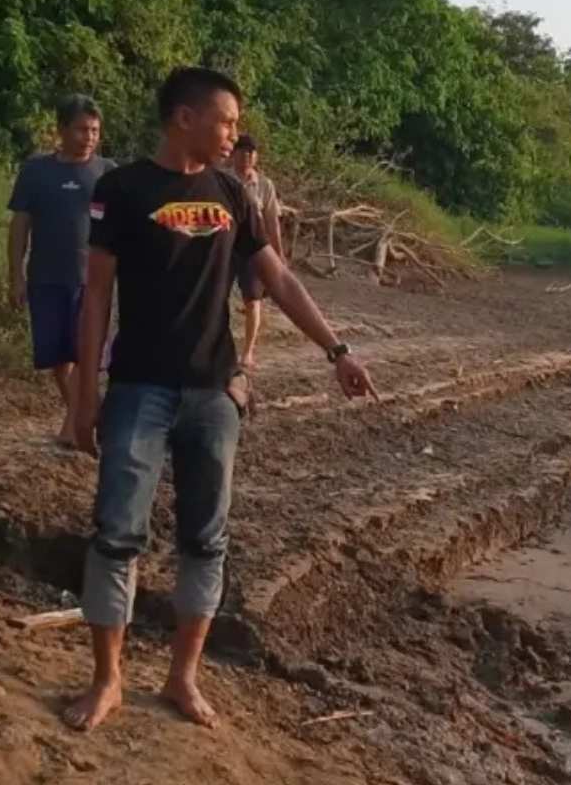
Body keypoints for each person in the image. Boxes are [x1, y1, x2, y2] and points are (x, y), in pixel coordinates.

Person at [63, 68, 379, 732]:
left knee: (206, 541)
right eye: (226, 120)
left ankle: (182, 678)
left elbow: (280, 280)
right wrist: (82, 396)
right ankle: (107, 680)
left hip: (213, 393)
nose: (234, 132)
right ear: (184, 117)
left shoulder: (233, 192)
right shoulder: (121, 190)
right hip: (138, 390)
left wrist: (337, 351)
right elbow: (95, 297)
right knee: (117, 533)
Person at [6, 94, 114, 446]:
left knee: (87, 352)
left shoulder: (107, 173)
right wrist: (16, 276)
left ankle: (72, 426)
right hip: (45, 276)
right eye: (82, 129)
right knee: (57, 355)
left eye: (95, 130)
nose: (89, 137)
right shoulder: (37, 171)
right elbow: (20, 224)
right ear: (62, 130)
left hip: (92, 281)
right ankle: (85, 412)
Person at [227, 135, 284, 370]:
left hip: (253, 249)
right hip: (226, 245)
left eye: (251, 153)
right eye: (242, 152)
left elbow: (272, 222)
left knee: (253, 299)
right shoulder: (222, 178)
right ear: (234, 153)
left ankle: (248, 351)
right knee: (216, 296)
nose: (247, 157)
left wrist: (279, 254)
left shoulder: (264, 185)